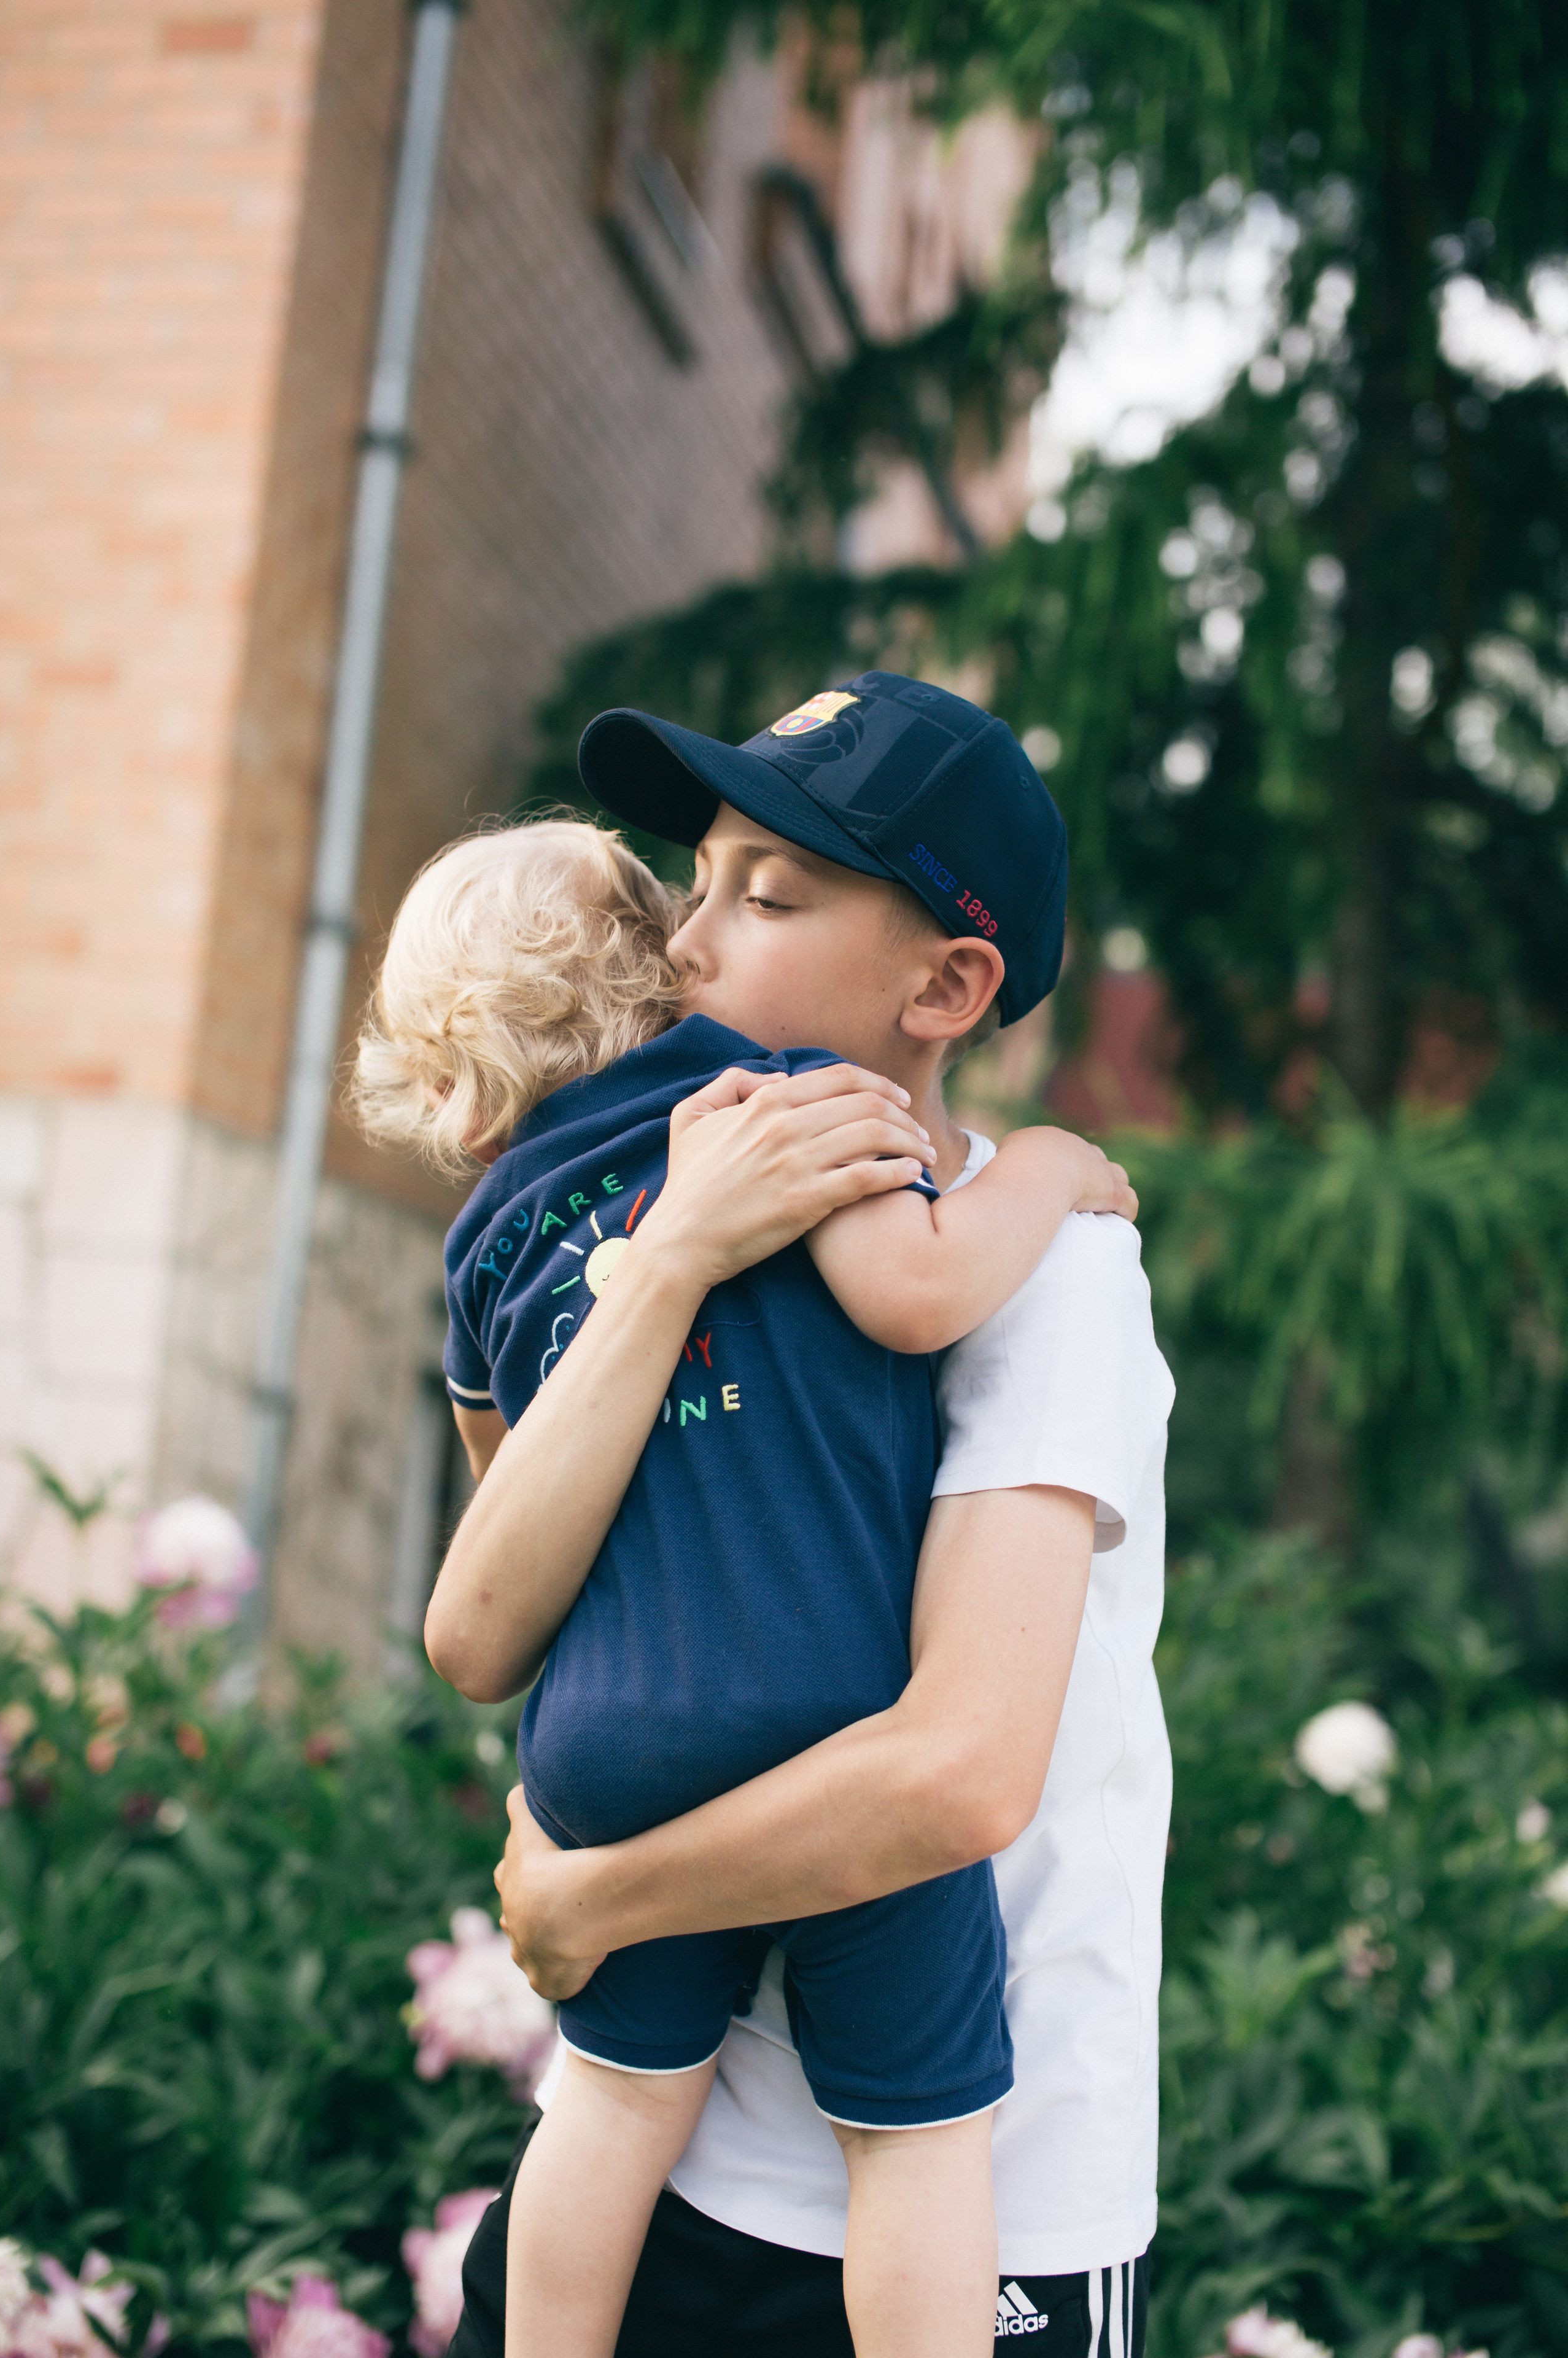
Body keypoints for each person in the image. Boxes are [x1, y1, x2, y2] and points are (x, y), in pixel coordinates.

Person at [351, 707, 1136, 2358]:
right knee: (906, 2144)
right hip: (757, 2120)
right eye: (688, 885)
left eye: (762, 899)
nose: (688, 944)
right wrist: (682, 1254)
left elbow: (959, 1776)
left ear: (947, 989)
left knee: (609, 2111)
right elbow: (478, 1620)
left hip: (643, 1833)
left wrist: (594, 1897)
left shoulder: (1053, 1282)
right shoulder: (778, 1122)